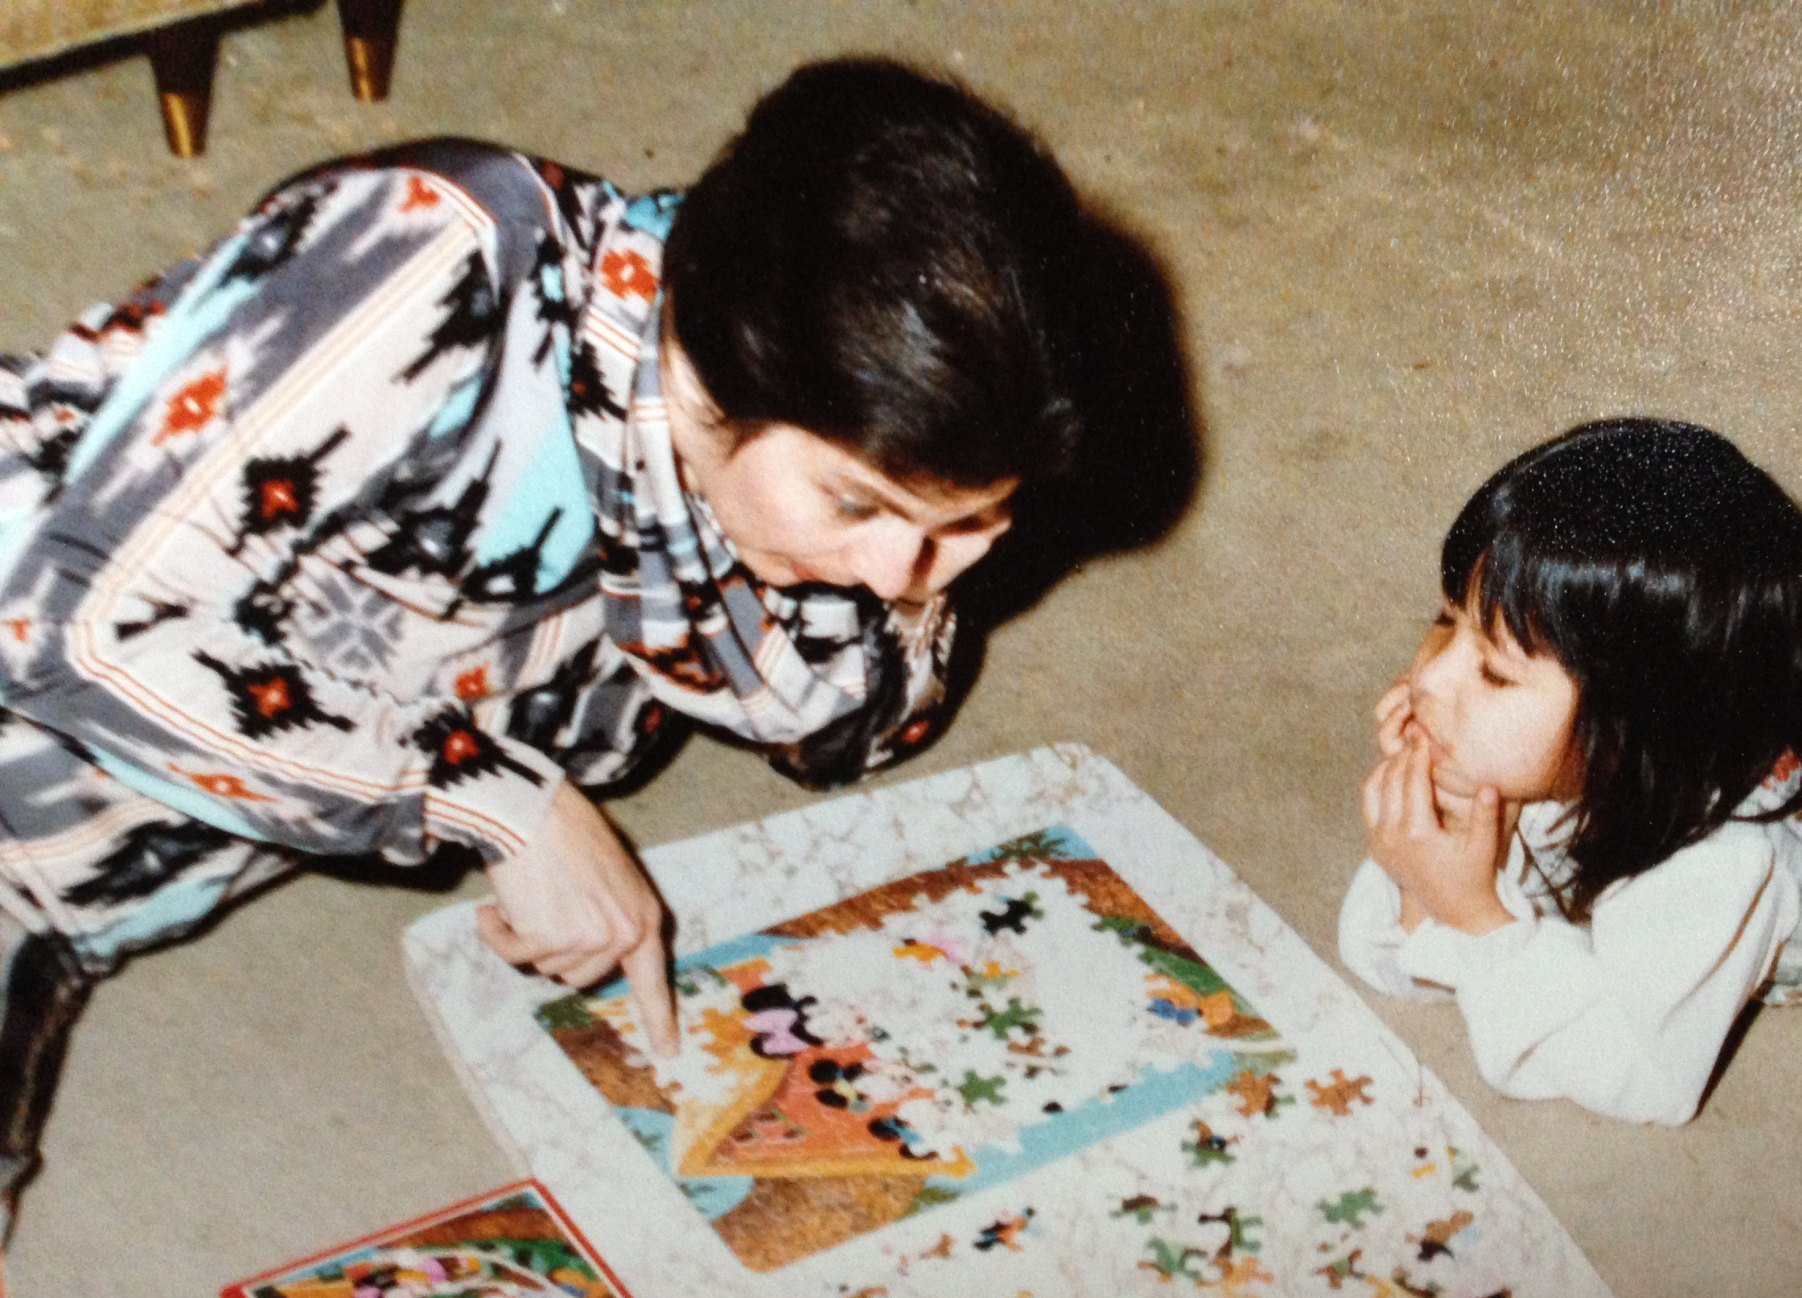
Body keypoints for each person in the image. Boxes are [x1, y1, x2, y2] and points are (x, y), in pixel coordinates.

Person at [0, 57, 1087, 1228]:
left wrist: (891, 538)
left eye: (974, 521)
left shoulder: (756, 471)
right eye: (859, 506)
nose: (899, 576)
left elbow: (851, 716)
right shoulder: (435, 259)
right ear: (710, 369)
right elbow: (57, 627)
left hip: (104, 868)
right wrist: (486, 796)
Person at [1338, 416, 1802, 1125]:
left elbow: (1646, 1078)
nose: (1432, 680)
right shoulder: (1552, 749)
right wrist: (1423, 876)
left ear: (1630, 728)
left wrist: (1476, 918)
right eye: (1444, 623)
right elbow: (1383, 955)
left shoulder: (1714, 866)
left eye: (1495, 674)